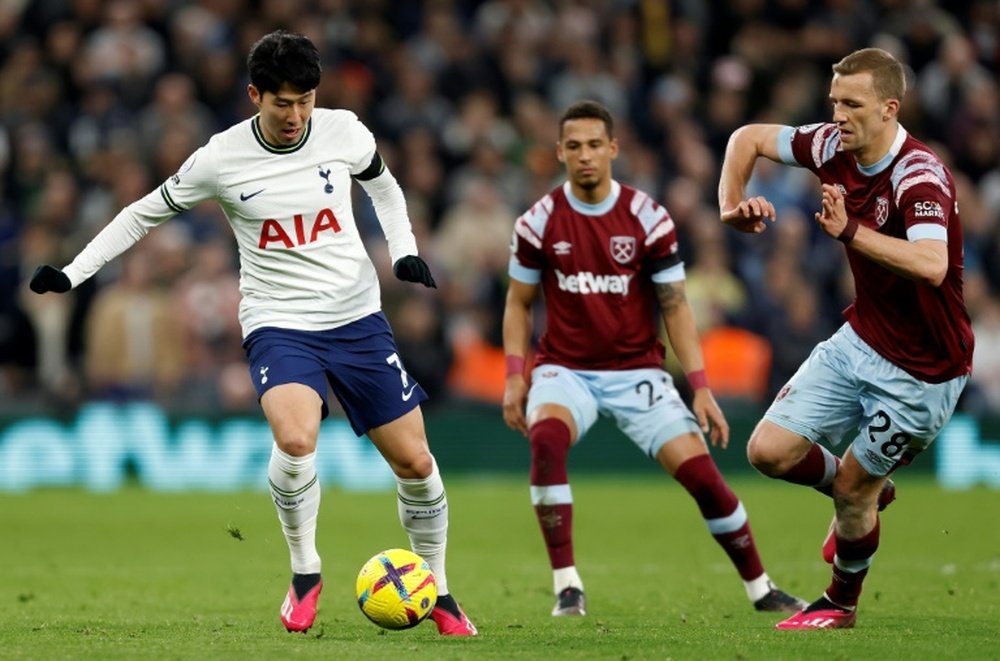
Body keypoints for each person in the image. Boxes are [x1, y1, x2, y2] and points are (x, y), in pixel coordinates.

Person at [28, 30, 477, 637]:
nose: (296, 116)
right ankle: (305, 570)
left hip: (357, 319)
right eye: (282, 102)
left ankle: (441, 591)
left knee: (417, 461)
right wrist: (74, 272)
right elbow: (142, 213)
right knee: (296, 439)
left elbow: (386, 190)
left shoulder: (346, 131)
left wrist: (403, 252)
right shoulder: (220, 158)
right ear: (254, 95)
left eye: (306, 101)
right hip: (279, 321)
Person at [501, 100, 805, 618]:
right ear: (558, 153)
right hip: (564, 369)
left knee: (704, 480)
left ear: (614, 148)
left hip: (638, 371)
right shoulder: (538, 222)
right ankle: (567, 586)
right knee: (546, 441)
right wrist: (514, 375)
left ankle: (761, 588)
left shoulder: (648, 217)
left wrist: (702, 385)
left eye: (595, 145)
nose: (585, 156)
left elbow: (675, 304)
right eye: (573, 147)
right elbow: (519, 302)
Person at [718, 47, 973, 630]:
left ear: (889, 108)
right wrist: (730, 204)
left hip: (925, 370)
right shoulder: (832, 145)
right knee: (767, 452)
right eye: (834, 101)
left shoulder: (919, 175)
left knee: (852, 490)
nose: (838, 115)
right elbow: (747, 137)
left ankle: (840, 604)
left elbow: (933, 264)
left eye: (852, 104)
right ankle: (864, 489)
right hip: (861, 339)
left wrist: (850, 231)